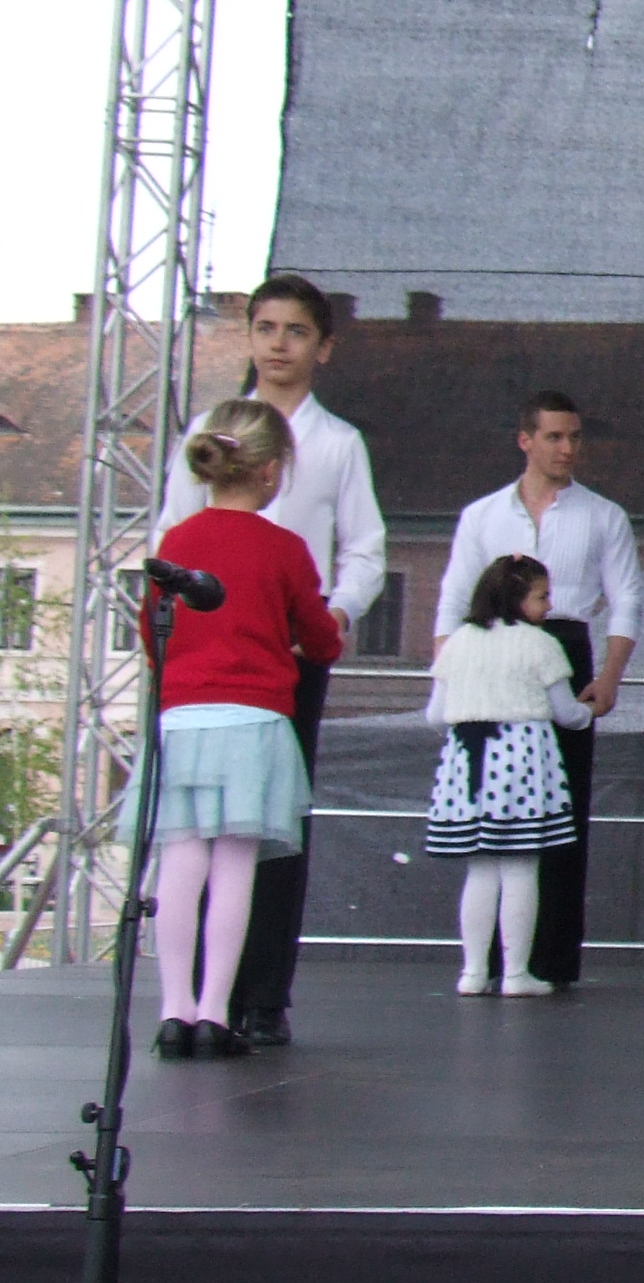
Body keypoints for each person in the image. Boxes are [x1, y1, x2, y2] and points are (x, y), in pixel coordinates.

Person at [153, 274, 386, 1049]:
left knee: (275, 823)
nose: (278, 344)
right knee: (195, 831)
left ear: (323, 347)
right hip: (210, 655)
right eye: (265, 327)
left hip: (289, 652)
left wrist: (335, 614)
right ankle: (194, 997)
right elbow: (173, 536)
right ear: (249, 337)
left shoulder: (338, 443)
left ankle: (259, 995)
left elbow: (366, 548)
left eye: (295, 331)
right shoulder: (209, 429)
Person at [136, 400, 346, 1059]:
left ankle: (172, 1009)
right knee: (234, 866)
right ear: (272, 471)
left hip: (184, 715)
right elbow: (320, 638)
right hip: (254, 719)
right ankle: (214, 1013)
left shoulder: (178, 542)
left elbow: (151, 628)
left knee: (180, 861)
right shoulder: (284, 548)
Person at [434, 391, 642, 989]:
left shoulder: (603, 515)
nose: (567, 448)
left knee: (561, 809)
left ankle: (548, 958)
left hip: (565, 643)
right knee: (491, 820)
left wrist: (609, 676)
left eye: (574, 437)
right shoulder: (483, 515)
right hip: (491, 649)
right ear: (525, 440)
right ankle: (489, 963)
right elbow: (453, 595)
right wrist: (449, 672)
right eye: (554, 436)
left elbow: (627, 597)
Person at [420, 553, 590, 1003]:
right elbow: (567, 714)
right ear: (517, 599)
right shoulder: (540, 645)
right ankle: (516, 973)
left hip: (467, 761)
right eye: (542, 596)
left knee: (480, 869)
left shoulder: (459, 641)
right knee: (520, 867)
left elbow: (435, 714)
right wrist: (591, 709)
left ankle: (473, 972)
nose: (549, 605)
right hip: (522, 763)